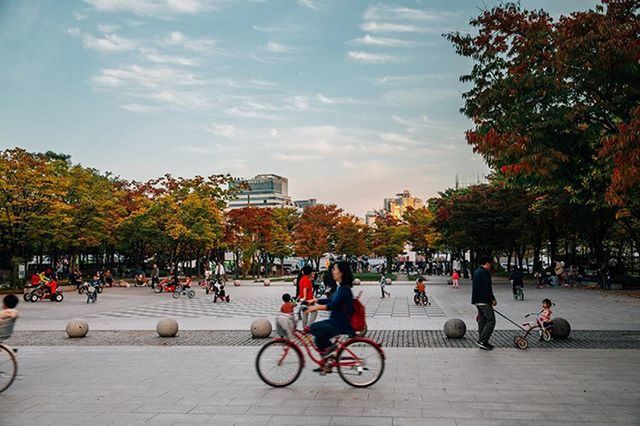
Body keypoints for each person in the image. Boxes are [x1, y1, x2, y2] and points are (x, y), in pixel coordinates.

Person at [306, 261, 355, 371]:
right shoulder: (341, 287)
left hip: (340, 323)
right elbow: (330, 300)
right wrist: (315, 300)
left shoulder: (344, 289)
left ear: (341, 273)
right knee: (318, 339)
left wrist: (316, 307)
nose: (332, 271)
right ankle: (326, 363)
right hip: (336, 321)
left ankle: (331, 349)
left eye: (335, 269)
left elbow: (333, 305)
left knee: (313, 327)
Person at [472, 256, 496, 350]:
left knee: (482, 320)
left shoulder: (477, 272)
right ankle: (482, 340)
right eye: (491, 263)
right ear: (487, 263)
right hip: (484, 300)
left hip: (477, 300)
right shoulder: (485, 273)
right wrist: (492, 299)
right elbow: (487, 288)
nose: (491, 265)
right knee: (491, 320)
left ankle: (483, 341)